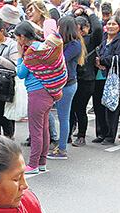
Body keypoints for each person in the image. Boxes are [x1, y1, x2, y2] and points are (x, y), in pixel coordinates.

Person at [14, 21, 66, 175]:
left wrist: (19, 56)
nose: (17, 41)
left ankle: (33, 164)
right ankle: (42, 162)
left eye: (17, 38)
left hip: (36, 93)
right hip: (49, 92)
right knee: (44, 129)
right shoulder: (42, 46)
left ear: (23, 37)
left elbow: (21, 74)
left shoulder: (32, 52)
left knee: (36, 130)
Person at [48, 16, 83, 160]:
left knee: (63, 117)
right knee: (55, 114)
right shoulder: (66, 43)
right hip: (61, 84)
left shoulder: (74, 45)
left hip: (67, 85)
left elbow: (60, 59)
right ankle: (58, 144)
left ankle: (62, 149)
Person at [93, 15, 120, 145]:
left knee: (112, 108)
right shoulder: (104, 38)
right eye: (109, 24)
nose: (110, 26)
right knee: (98, 106)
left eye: (114, 24)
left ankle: (109, 135)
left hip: (114, 79)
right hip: (99, 76)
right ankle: (101, 133)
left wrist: (103, 60)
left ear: (119, 27)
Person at [69, 15, 97, 147]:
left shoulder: (91, 39)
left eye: (81, 29)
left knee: (80, 108)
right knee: (71, 108)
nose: (78, 32)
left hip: (87, 80)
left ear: (86, 28)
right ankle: (68, 133)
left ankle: (81, 135)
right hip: (74, 78)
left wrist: (89, 12)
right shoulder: (72, 41)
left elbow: (98, 28)